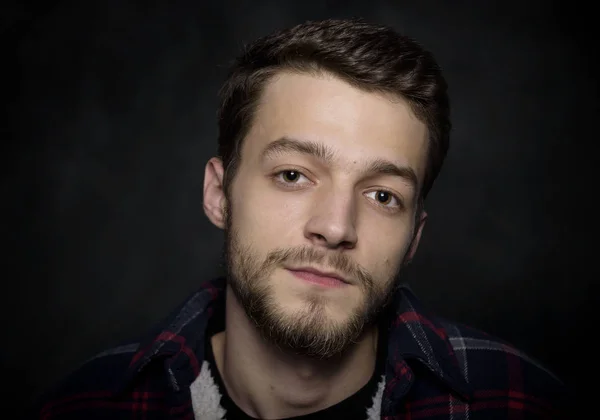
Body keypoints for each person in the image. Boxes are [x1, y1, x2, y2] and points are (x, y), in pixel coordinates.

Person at [31, 18, 565, 419]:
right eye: (293, 175)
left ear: (414, 236)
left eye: (382, 195)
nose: (335, 227)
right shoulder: (84, 407)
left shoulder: (521, 401)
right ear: (219, 193)